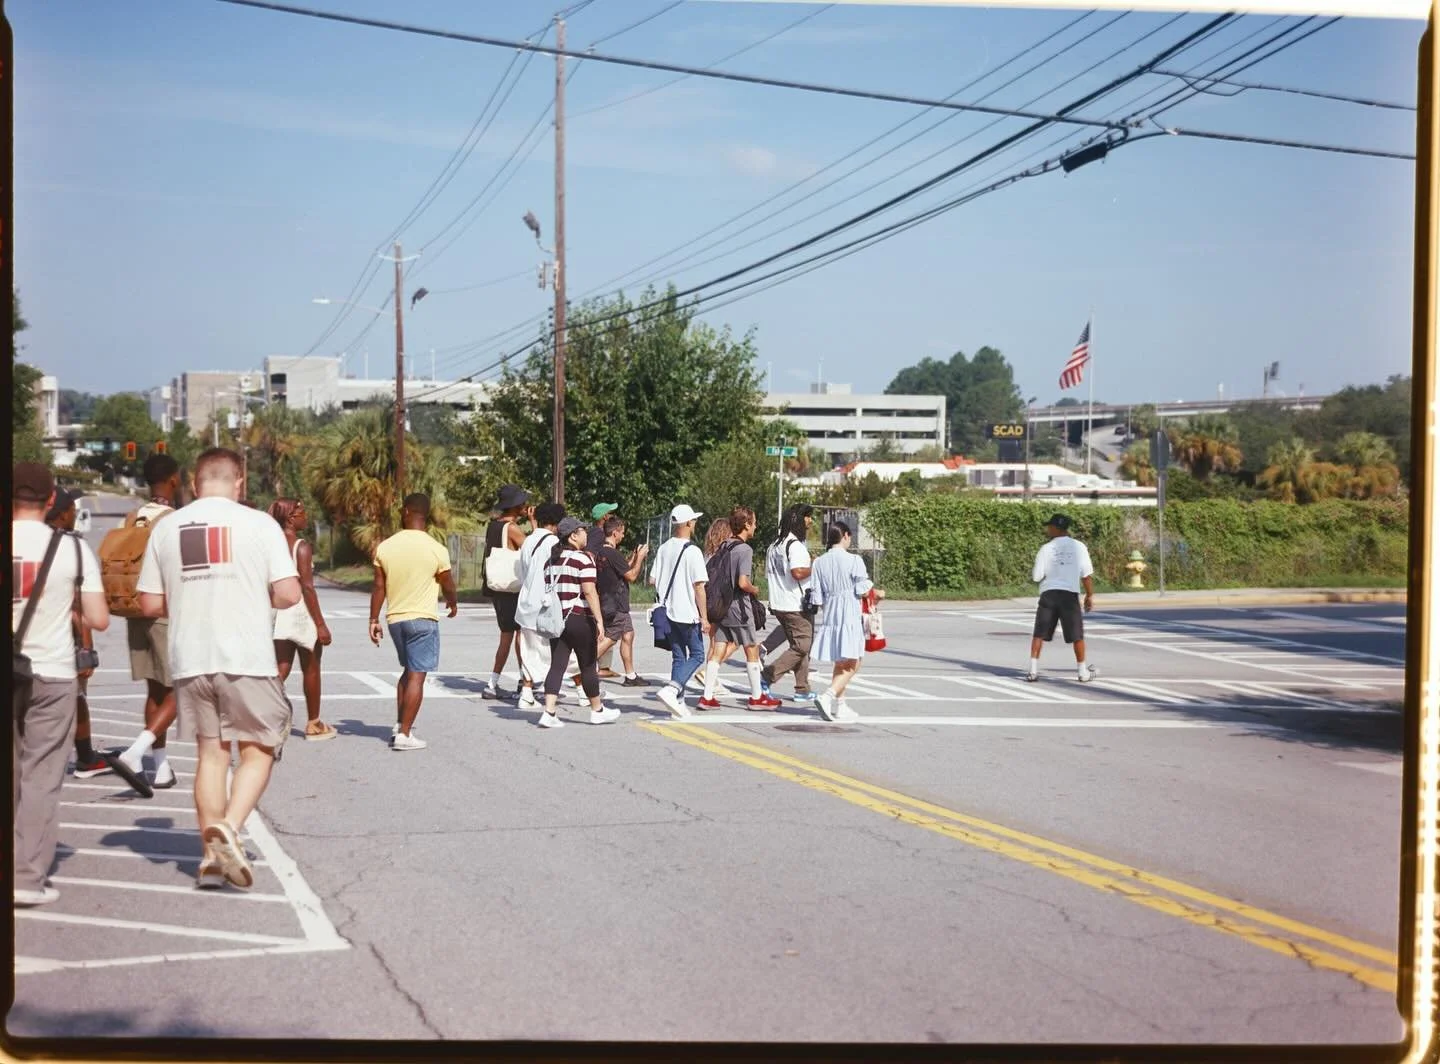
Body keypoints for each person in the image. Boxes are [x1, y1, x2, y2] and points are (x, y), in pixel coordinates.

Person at [134, 448, 300, 890]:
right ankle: (229, 826)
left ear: (193, 481)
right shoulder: (260, 524)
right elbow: (288, 595)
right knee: (259, 749)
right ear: (240, 482)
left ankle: (211, 861)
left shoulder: (166, 528)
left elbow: (148, 602)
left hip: (190, 657)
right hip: (246, 656)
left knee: (212, 755)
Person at [13, 464, 111, 907]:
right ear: (52, 501)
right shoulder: (71, 550)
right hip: (51, 673)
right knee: (40, 777)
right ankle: (25, 877)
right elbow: (99, 619)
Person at [112, 453, 184, 793]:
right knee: (182, 688)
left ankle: (162, 767)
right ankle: (135, 751)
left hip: (135, 611)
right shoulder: (173, 520)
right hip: (166, 613)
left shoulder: (133, 517)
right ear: (173, 480)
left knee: (155, 689)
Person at [370, 494, 459, 751]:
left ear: (406, 511)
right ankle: (405, 735)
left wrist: (373, 619)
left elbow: (378, 587)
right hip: (423, 619)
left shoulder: (385, 546)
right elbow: (447, 582)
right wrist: (452, 601)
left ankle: (400, 725)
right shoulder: (436, 548)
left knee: (408, 672)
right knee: (417, 677)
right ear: (426, 514)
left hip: (395, 620)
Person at [537, 517, 621, 730]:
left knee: (557, 665)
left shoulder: (551, 561)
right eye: (583, 531)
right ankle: (597, 710)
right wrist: (599, 620)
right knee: (588, 665)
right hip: (580, 617)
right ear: (573, 536)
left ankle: (549, 711)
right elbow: (589, 591)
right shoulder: (583, 559)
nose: (587, 534)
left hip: (558, 620)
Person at [46, 490, 107, 781]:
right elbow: (81, 605)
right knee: (76, 697)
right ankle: (85, 757)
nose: (74, 513)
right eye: (71, 509)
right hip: (62, 638)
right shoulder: (71, 548)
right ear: (59, 515)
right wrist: (87, 648)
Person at [698, 508, 782, 711]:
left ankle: (707, 696)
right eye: (754, 523)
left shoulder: (724, 545)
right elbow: (742, 582)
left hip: (721, 607)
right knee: (751, 648)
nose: (756, 527)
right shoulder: (744, 550)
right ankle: (756, 697)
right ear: (746, 525)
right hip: (739, 607)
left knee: (718, 649)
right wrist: (755, 589)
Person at [267, 498, 336, 741]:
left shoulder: (269, 545)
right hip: (300, 612)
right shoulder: (301, 547)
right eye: (301, 512)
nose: (305, 516)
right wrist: (320, 624)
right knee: (311, 667)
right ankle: (314, 724)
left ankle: (260, 717)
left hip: (278, 611)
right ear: (290, 518)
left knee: (280, 668)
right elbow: (307, 587)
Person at [808, 520, 885, 723]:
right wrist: (877, 593)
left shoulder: (819, 562)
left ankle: (841, 706)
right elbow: (861, 589)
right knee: (854, 661)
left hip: (830, 613)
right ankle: (828, 696)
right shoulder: (854, 560)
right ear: (845, 536)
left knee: (841, 661)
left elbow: (816, 596)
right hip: (849, 612)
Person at [647, 504, 709, 718]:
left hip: (666, 610)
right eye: (693, 520)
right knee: (698, 654)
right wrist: (705, 617)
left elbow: (652, 579)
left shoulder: (664, 548)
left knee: (679, 656)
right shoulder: (693, 551)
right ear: (688, 523)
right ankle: (672, 690)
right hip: (687, 611)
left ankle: (678, 702)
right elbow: (699, 586)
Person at [1026, 513, 1097, 683]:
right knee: (1076, 635)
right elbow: (1086, 575)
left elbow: (1036, 577)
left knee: (1039, 633)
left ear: (1055, 528)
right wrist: (1089, 595)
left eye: (1049, 526)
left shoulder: (1046, 548)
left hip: (1049, 594)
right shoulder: (1079, 547)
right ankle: (1082, 672)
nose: (1047, 529)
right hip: (1069, 595)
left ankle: (1033, 671)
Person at [761, 503, 816, 704]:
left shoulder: (774, 546)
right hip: (795, 604)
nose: (810, 520)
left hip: (779, 603)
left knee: (799, 646)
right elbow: (797, 572)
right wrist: (816, 566)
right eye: (807, 516)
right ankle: (767, 676)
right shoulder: (795, 546)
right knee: (803, 645)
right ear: (797, 520)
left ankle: (802, 689)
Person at [481, 484, 531, 699]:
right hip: (512, 588)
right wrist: (535, 523)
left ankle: (494, 683)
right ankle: (521, 681)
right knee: (519, 635)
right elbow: (530, 549)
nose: (526, 506)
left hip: (497, 587)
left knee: (506, 636)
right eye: (523, 503)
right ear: (516, 506)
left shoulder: (493, 526)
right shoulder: (512, 528)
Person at [514, 502, 565, 711]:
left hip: (525, 601)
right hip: (545, 604)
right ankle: (581, 690)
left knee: (529, 650)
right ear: (556, 522)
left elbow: (525, 570)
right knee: (556, 649)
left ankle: (527, 692)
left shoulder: (529, 541)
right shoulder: (554, 542)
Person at [593, 515, 650, 688]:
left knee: (628, 635)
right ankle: (582, 666)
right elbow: (631, 576)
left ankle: (631, 675)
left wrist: (632, 559)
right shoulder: (612, 553)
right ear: (615, 532)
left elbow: (620, 570)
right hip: (617, 604)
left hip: (607, 600)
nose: (623, 536)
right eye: (622, 532)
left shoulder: (601, 552)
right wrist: (640, 558)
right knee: (611, 638)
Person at [586, 502, 621, 678]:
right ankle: (589, 665)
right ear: (604, 517)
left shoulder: (593, 533)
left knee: (605, 626)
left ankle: (604, 667)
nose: (613, 516)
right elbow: (590, 556)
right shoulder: (597, 534)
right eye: (611, 513)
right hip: (597, 586)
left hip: (600, 585)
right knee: (603, 627)